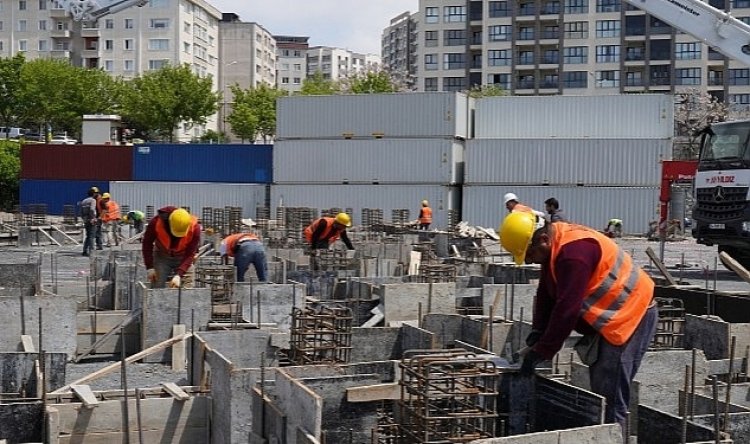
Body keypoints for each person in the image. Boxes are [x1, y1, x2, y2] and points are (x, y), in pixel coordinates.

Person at [499, 211, 657, 432]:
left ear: (543, 239)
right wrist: (538, 331)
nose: (528, 260)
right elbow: (547, 289)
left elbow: (567, 309)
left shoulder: (574, 254)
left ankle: (614, 435)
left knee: (609, 393)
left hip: (630, 314)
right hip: (611, 315)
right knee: (601, 386)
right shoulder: (556, 242)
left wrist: (542, 351)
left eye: (529, 253)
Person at [142, 207, 201, 289]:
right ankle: (157, 301)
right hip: (162, 256)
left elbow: (190, 253)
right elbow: (147, 244)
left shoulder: (195, 228)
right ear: (169, 222)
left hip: (183, 256)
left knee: (188, 286)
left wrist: (179, 275)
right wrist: (150, 267)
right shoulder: (156, 223)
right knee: (157, 283)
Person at [80, 187, 98, 256]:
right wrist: (93, 218)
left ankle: (84, 251)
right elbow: (92, 209)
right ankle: (92, 251)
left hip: (85, 220)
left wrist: (84, 219)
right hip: (91, 220)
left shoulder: (84, 201)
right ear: (93, 194)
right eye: (96, 193)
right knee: (92, 236)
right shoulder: (93, 200)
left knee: (88, 236)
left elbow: (81, 212)